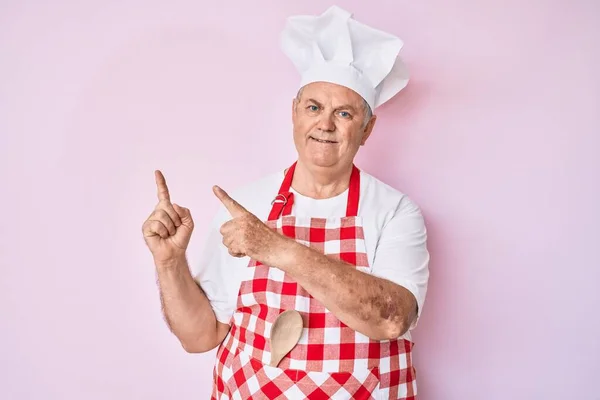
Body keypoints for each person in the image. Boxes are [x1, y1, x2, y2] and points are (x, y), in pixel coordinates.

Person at [142, 5, 430, 399]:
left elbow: (392, 319)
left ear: (367, 130)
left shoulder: (395, 211)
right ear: (294, 113)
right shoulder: (245, 204)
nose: (325, 124)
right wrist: (169, 261)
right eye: (313, 107)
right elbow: (200, 337)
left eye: (344, 113)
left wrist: (274, 248)